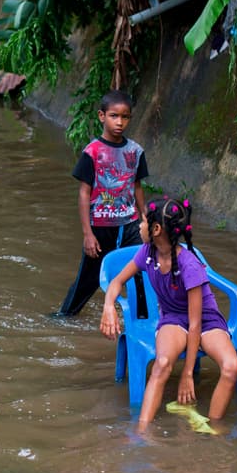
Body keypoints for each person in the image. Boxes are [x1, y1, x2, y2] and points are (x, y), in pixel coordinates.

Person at [101, 197, 237, 433]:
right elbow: (117, 281)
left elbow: (195, 324)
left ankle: (212, 429)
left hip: (205, 320)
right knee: (163, 363)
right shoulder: (147, 253)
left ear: (156, 229)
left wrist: (187, 374)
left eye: (142, 221)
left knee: (231, 366)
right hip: (174, 318)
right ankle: (141, 432)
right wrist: (108, 306)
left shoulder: (189, 265)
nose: (139, 226)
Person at [54, 90, 148, 315]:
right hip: (100, 226)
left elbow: (136, 187)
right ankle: (64, 317)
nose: (119, 122)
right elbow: (84, 193)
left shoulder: (135, 151)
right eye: (114, 116)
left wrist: (145, 219)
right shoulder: (92, 152)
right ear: (102, 116)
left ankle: (143, 319)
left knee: (140, 272)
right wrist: (88, 234)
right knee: (88, 279)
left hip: (130, 225)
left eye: (125, 117)